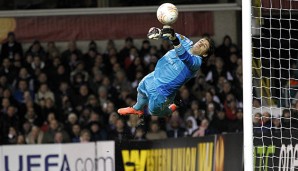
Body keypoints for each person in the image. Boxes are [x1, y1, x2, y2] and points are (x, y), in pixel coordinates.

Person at [118, 26, 215, 117]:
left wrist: (174, 39)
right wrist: (159, 33)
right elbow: (172, 35)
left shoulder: (197, 62)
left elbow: (185, 57)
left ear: (205, 54)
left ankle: (172, 108)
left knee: (153, 111)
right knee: (141, 89)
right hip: (155, 76)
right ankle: (136, 109)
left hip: (163, 91)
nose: (201, 43)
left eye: (204, 45)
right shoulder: (187, 42)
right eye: (201, 41)